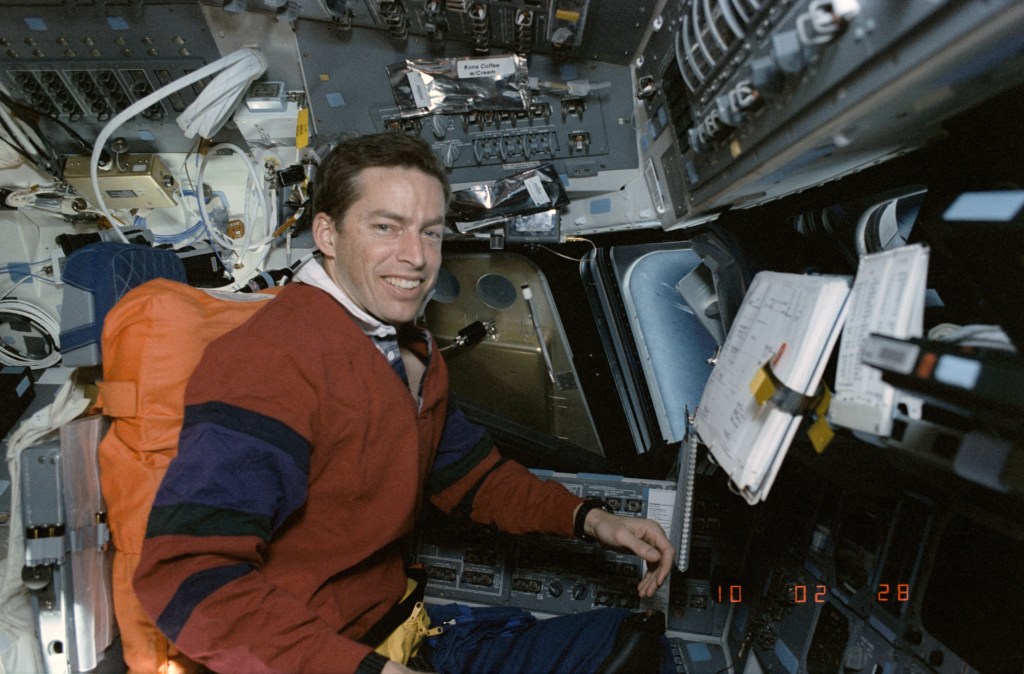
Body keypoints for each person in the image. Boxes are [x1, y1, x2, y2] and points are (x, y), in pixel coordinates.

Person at [132, 132, 675, 674]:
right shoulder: (269, 363)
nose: (416, 257)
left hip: (404, 635)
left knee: (627, 644)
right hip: (323, 658)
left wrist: (591, 520)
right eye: (386, 227)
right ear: (327, 232)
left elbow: (472, 478)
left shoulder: (409, 349)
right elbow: (187, 580)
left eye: (430, 233)